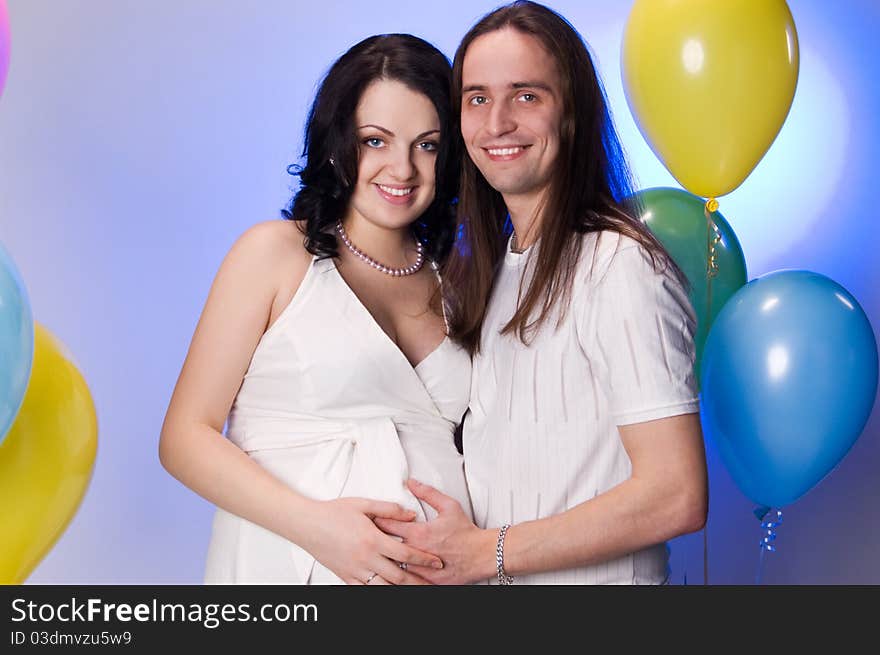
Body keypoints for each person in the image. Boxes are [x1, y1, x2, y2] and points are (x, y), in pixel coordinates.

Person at [375, 1, 708, 585]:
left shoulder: (618, 266)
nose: (496, 122)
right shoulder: (498, 270)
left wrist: (487, 551)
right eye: (477, 98)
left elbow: (675, 495)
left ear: (572, 113)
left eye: (526, 95)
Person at [159, 34, 473, 585]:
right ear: (337, 143)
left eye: (426, 144)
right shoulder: (273, 254)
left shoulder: (460, 276)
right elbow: (185, 437)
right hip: (288, 574)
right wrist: (319, 529)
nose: (401, 169)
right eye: (375, 141)